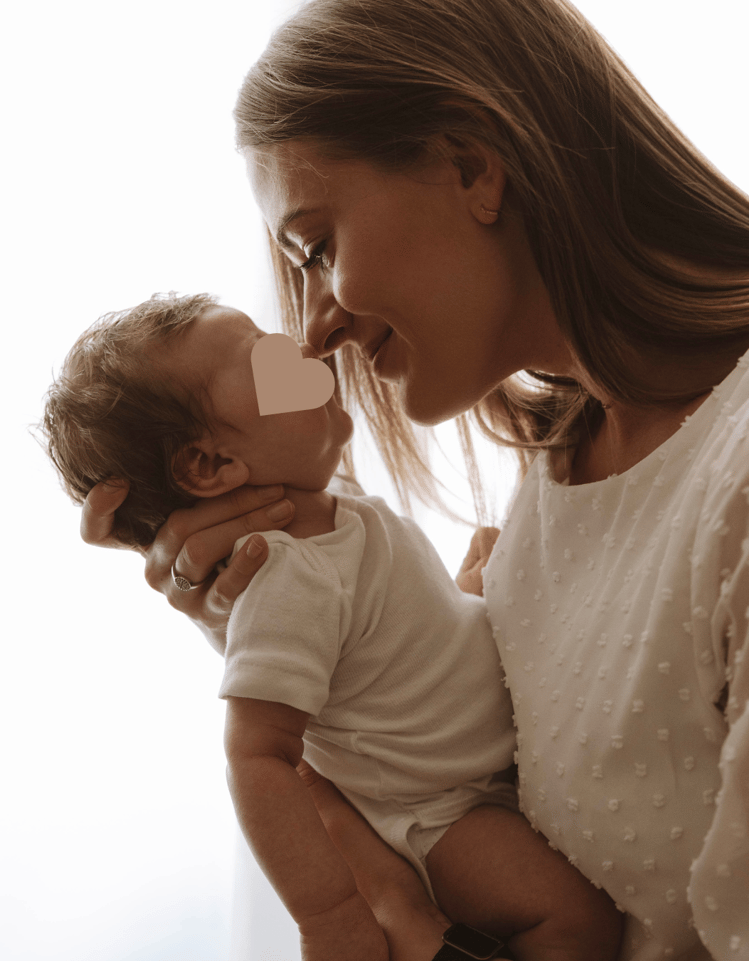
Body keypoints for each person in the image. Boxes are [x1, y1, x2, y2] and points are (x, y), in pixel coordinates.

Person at [78, 0, 749, 958]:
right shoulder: (560, 476)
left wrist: (412, 930)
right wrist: (246, 604)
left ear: (471, 167)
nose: (311, 332)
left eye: (314, 249)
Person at [41, 293, 623, 960]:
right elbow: (257, 754)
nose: (305, 352)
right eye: (265, 357)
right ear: (210, 465)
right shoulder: (288, 574)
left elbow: (380, 649)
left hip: (474, 771)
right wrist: (331, 913)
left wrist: (464, 598)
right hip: (442, 815)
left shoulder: (333, 511)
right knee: (575, 921)